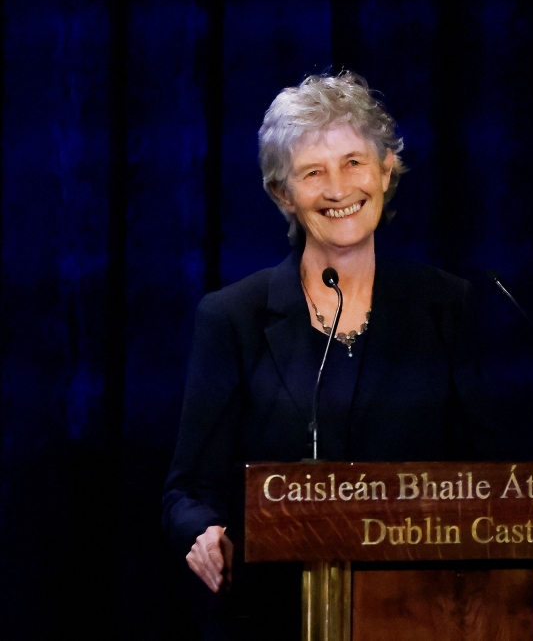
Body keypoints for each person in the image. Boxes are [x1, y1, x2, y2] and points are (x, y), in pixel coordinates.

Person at [162, 72, 505, 638]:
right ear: (283, 194)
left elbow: (494, 477)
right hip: (275, 615)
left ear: (386, 171)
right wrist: (204, 533)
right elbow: (188, 490)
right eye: (313, 172)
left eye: (353, 163)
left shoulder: (445, 305)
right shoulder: (233, 318)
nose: (338, 189)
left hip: (423, 612)